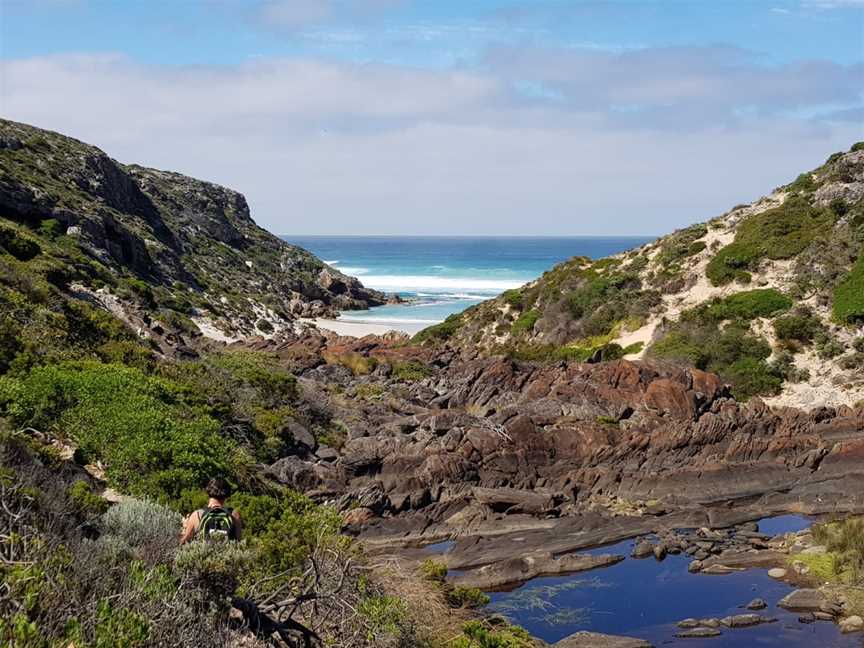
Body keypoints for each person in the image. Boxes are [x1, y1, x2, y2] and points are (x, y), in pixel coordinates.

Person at [180, 477, 242, 544]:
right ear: (227, 494)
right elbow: (238, 542)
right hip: (227, 554)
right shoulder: (234, 514)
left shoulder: (197, 515)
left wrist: (184, 529)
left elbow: (183, 542)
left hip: (204, 554)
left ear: (208, 491)